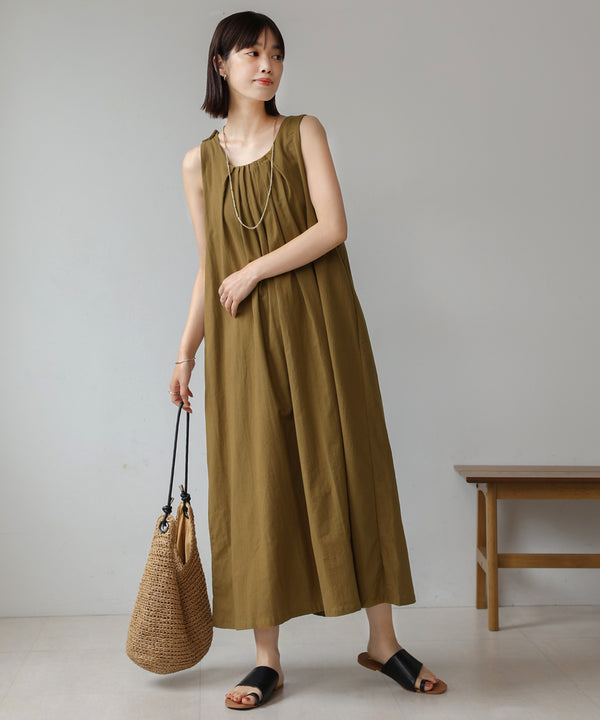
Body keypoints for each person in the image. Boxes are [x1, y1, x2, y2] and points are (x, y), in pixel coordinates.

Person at [169, 10, 447, 710]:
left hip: (321, 327)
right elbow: (208, 267)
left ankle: (382, 641)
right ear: (221, 64)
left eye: (276, 53)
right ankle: (267, 660)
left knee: (349, 466)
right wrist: (184, 354)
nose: (267, 64)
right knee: (255, 483)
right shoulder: (198, 163)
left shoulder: (303, 133)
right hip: (242, 345)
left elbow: (333, 227)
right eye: (251, 52)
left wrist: (253, 270)